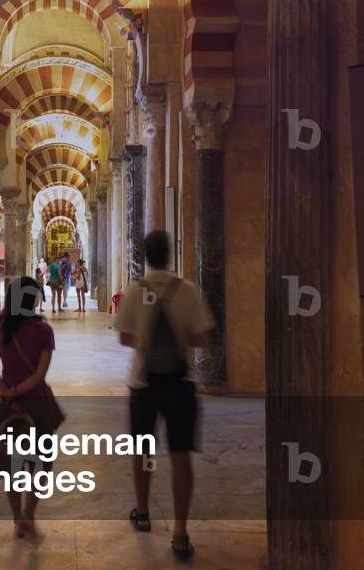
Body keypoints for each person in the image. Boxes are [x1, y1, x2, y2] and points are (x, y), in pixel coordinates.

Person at [115, 230, 214, 561]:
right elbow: (201, 338)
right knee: (180, 455)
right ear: (170, 254)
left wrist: (147, 339)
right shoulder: (187, 291)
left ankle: (142, 511)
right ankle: (180, 531)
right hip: (178, 383)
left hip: (144, 384)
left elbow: (125, 338)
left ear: (145, 256)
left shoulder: (135, 291)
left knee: (142, 450)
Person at [0, 276, 56, 538]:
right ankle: (30, 512)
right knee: (39, 463)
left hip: (7, 407)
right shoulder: (43, 331)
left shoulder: (1, 329)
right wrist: (19, 392)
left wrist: (8, 394)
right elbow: (39, 375)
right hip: (36, 405)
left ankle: (17, 517)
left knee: (10, 465)